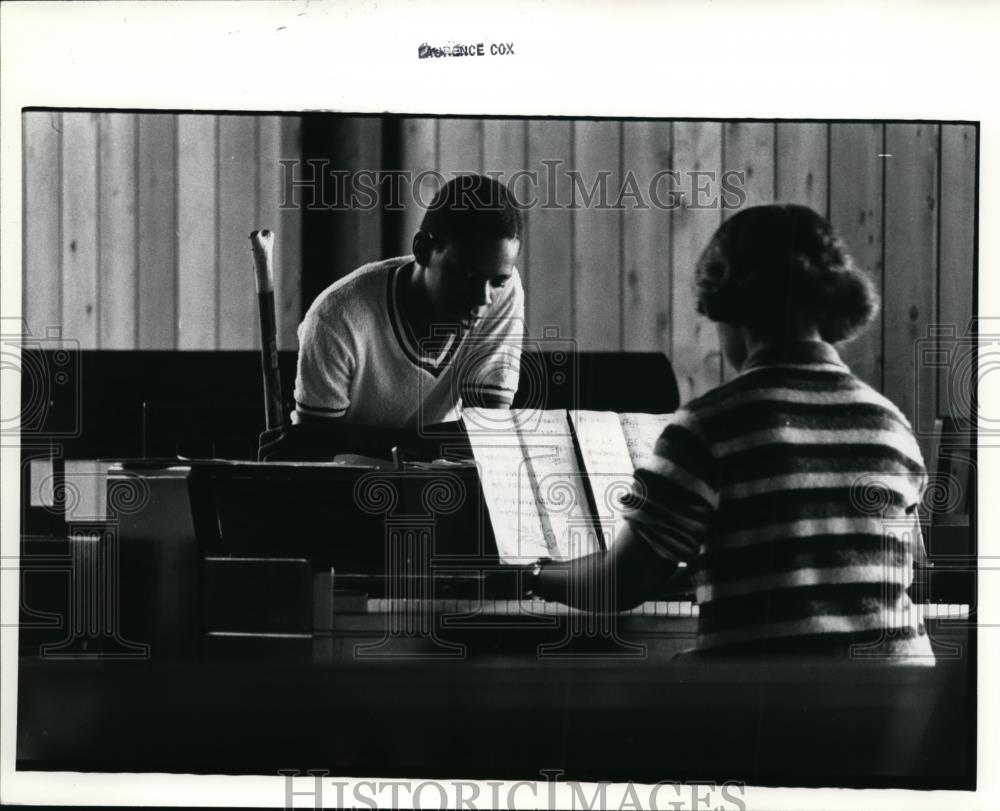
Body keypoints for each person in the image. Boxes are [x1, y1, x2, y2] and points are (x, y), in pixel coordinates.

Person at [529, 203, 934, 663]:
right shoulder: (891, 426)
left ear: (730, 308)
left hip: (779, 710)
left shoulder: (708, 427)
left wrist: (534, 577)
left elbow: (618, 585)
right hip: (900, 704)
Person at [260, 174, 525, 459]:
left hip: (438, 489)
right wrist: (436, 442)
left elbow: (485, 439)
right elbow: (314, 453)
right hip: (351, 492)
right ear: (423, 249)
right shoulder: (336, 318)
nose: (483, 299)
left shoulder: (504, 291)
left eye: (496, 282)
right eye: (466, 276)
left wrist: (344, 438)